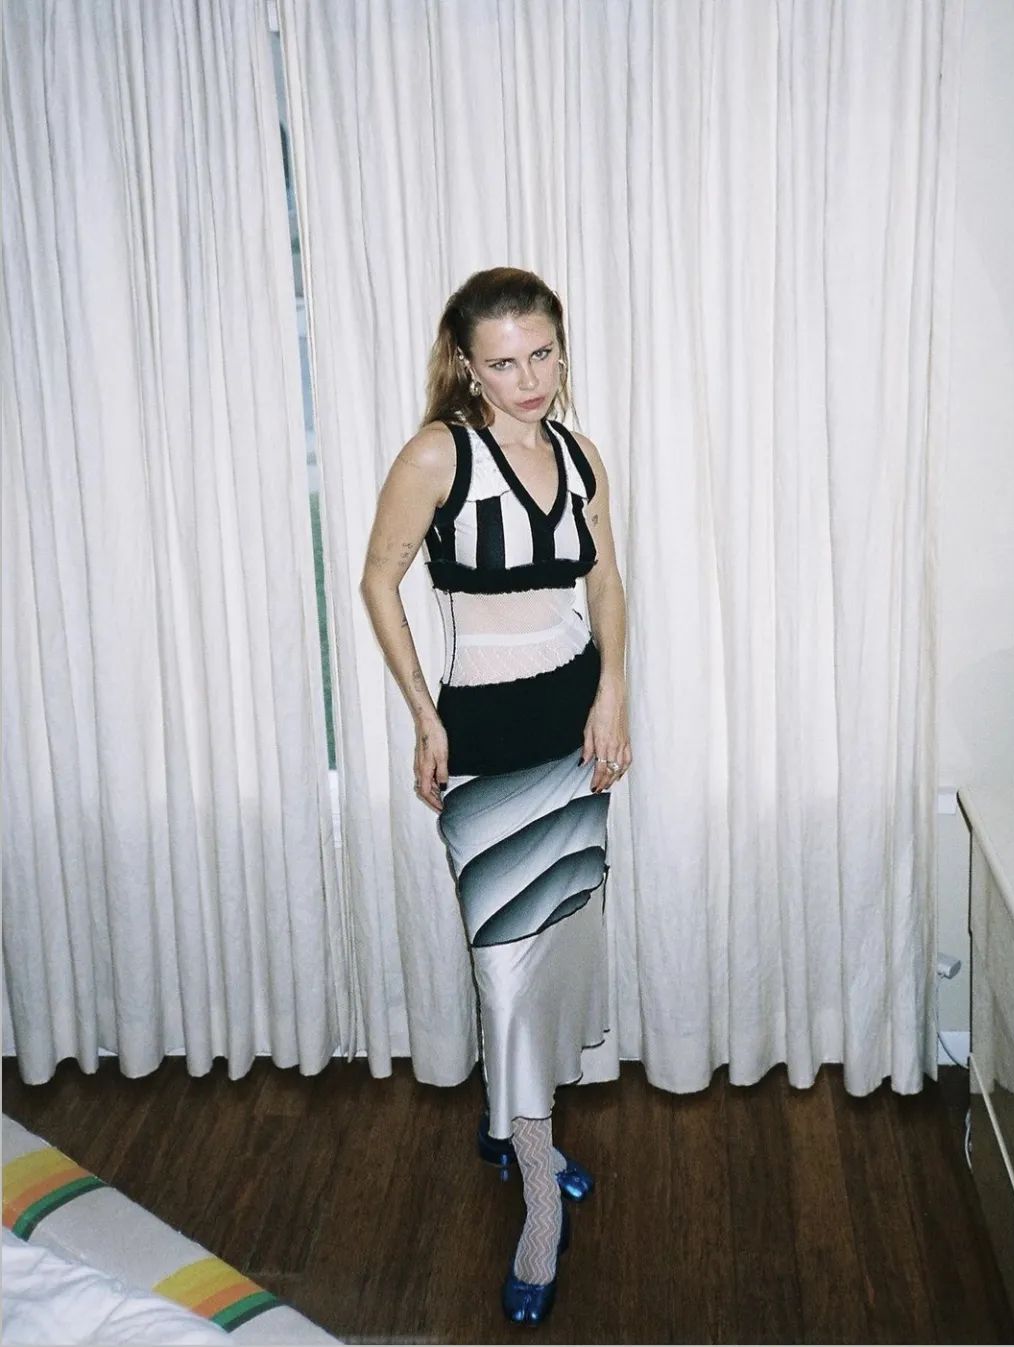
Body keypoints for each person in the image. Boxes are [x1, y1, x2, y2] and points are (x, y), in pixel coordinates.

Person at [360, 267, 630, 1325]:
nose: (530, 378)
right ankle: (538, 1199)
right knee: (505, 969)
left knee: (553, 943)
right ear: (468, 366)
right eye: (505, 361)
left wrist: (613, 693)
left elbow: (604, 581)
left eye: (543, 353)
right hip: (485, 737)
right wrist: (424, 715)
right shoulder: (439, 454)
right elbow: (378, 578)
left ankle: (509, 1122)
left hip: (573, 731)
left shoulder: (580, 452)